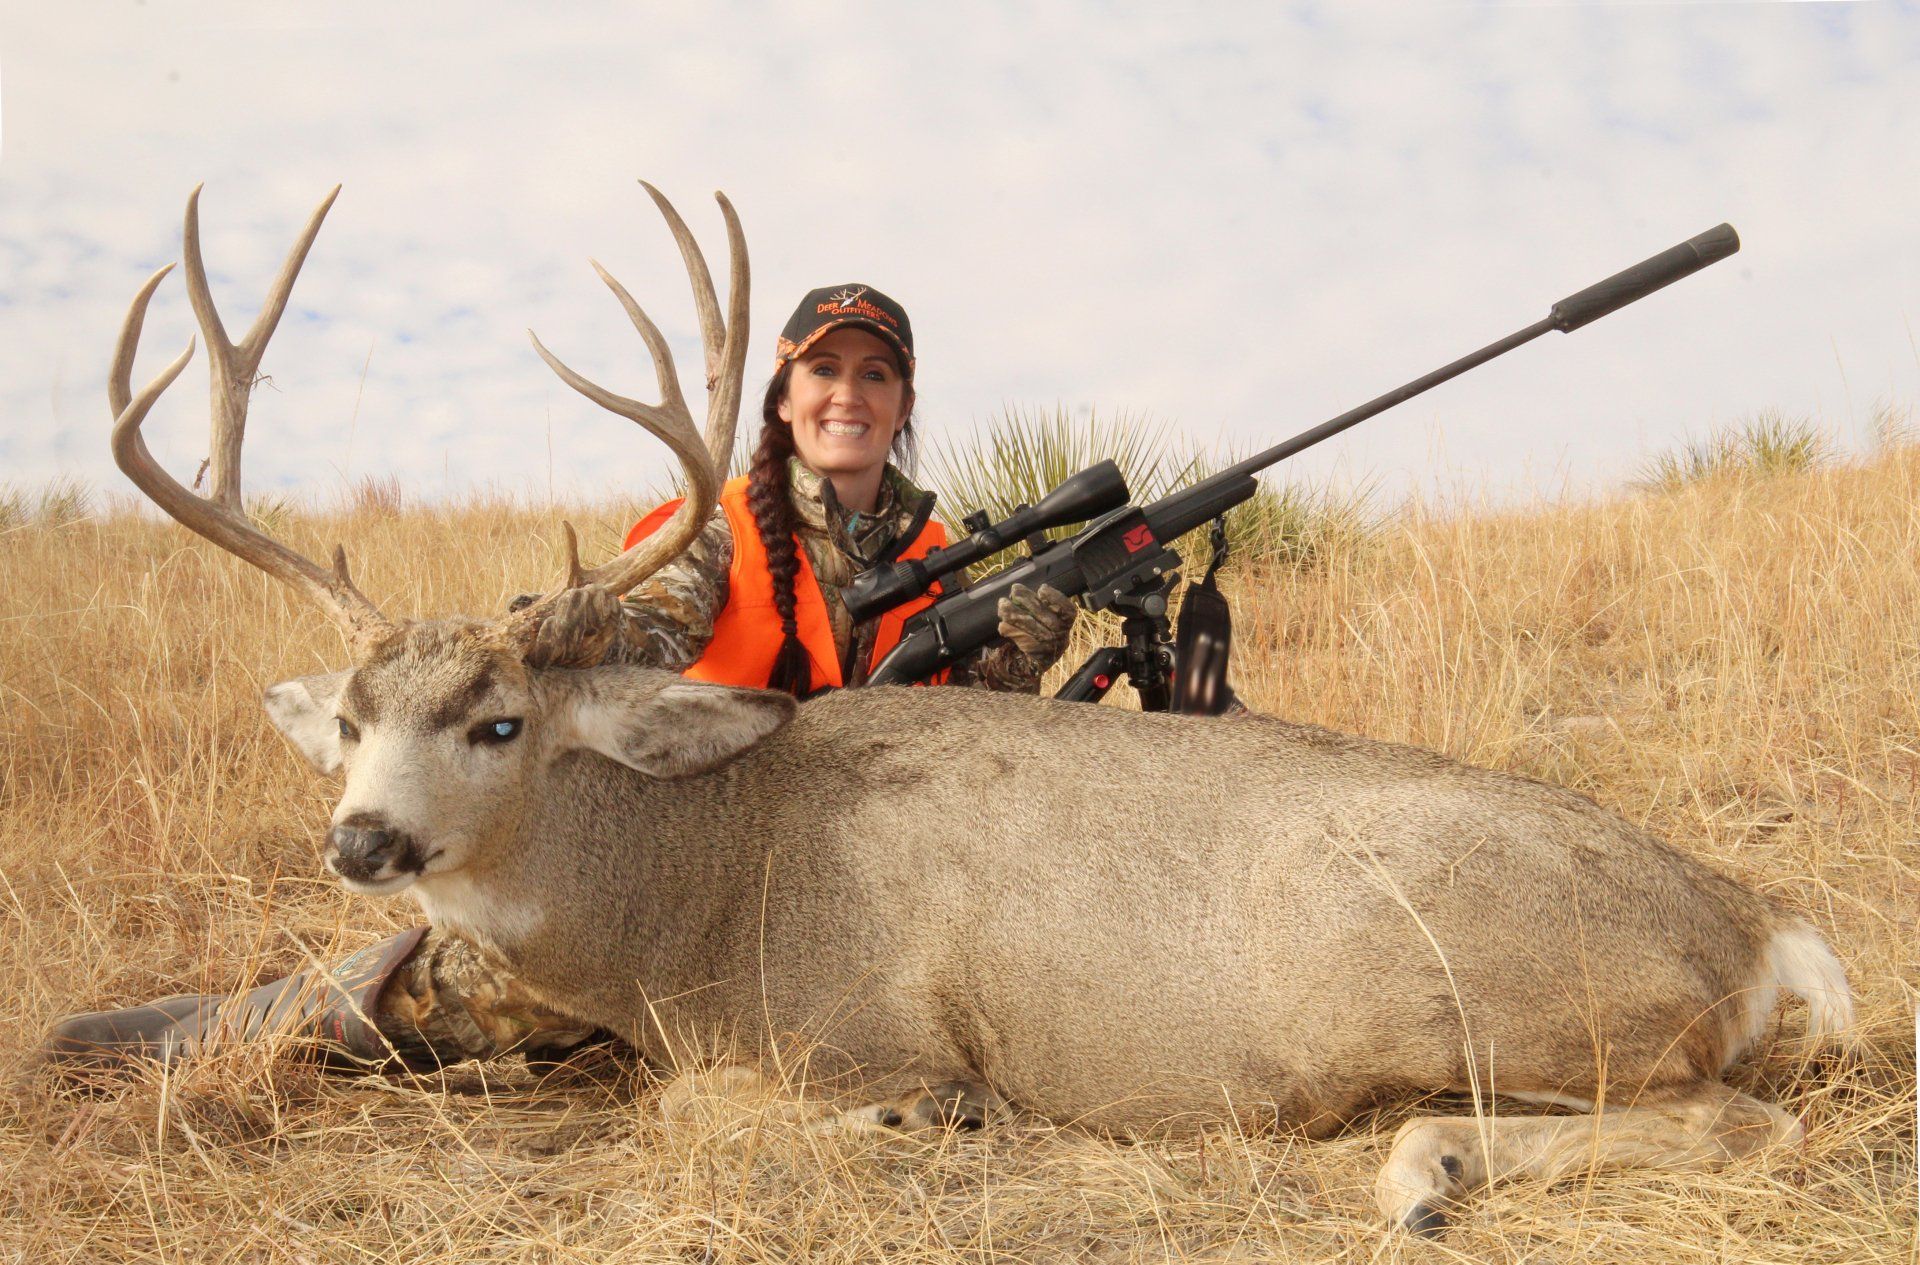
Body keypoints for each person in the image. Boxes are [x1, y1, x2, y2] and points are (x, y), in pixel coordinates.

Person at [42, 284, 1081, 1074]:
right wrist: (599, 621)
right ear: (785, 395)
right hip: (679, 829)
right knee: (535, 1000)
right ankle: (234, 1026)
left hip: (849, 851)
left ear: (902, 401)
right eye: (825, 372)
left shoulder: (946, 551)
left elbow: (959, 746)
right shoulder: (714, 529)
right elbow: (656, 630)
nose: (847, 394)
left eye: (874, 375)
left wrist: (1022, 655)